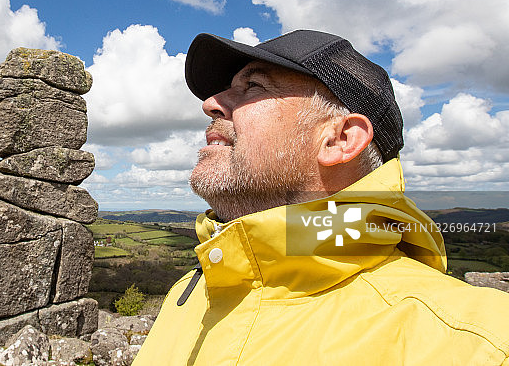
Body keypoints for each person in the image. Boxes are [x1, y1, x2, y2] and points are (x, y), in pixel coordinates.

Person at [132, 29, 509, 366]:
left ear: (340, 140)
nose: (210, 103)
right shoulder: (188, 295)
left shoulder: (478, 343)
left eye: (254, 86)